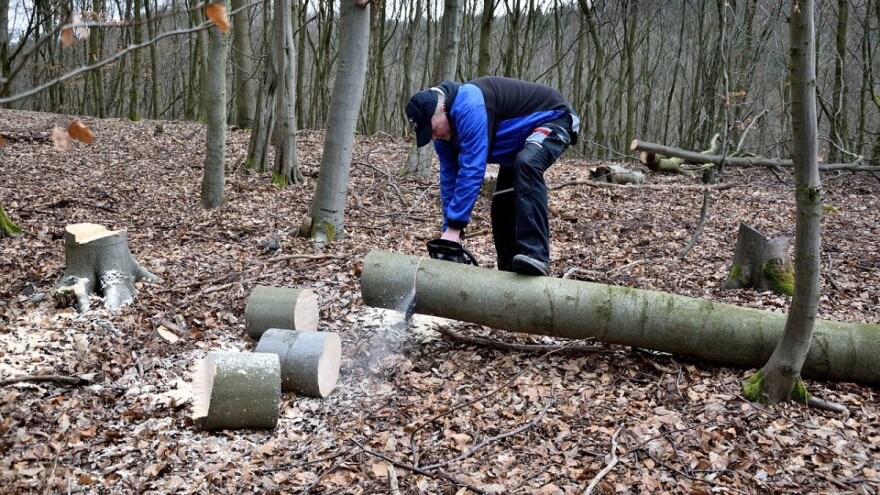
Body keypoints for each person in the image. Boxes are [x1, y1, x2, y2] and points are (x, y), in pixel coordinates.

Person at [406, 76, 580, 276]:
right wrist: (449, 233)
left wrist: (456, 225)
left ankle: (536, 255)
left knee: (527, 165)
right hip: (516, 148)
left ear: (442, 109)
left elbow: (472, 169)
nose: (434, 137)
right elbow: (449, 180)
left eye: (433, 130)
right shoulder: (443, 138)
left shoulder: (468, 105)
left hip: (555, 118)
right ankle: (508, 273)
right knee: (501, 205)